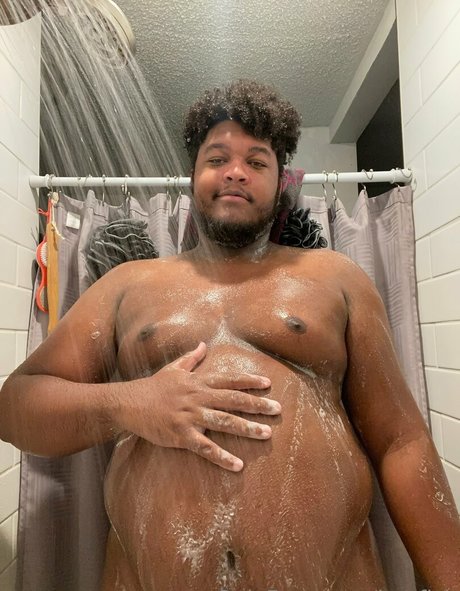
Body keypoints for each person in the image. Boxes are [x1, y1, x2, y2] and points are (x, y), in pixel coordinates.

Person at [1, 80, 459, 591]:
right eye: (217, 158)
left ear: (281, 182)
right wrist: (131, 404)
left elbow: (401, 442)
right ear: (192, 177)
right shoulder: (126, 285)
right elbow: (16, 406)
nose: (235, 172)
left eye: (257, 162)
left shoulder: (336, 277)